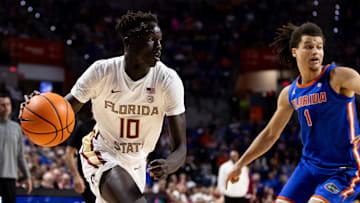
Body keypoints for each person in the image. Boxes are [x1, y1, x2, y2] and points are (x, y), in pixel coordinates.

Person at [226, 22, 360, 203]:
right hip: (309, 167)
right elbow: (270, 134)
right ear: (295, 51)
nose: (316, 52)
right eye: (309, 47)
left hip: (343, 169)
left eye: (319, 47)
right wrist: (240, 164)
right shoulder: (290, 93)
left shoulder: (339, 77)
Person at [62, 10, 186, 203]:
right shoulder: (102, 71)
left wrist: (169, 165)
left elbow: (180, 148)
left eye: (160, 40)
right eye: (152, 40)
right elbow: (64, 109)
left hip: (137, 163)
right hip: (102, 152)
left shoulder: (168, 81)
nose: (159, 47)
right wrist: (42, 108)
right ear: (130, 42)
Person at [0, 91, 32, 203]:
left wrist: (27, 176)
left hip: (10, 178)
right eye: (2, 105)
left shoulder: (16, 128)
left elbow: (20, 155)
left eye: (8, 104)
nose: (6, 108)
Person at [64, 116, 96, 202]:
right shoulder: (83, 127)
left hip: (108, 175)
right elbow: (69, 153)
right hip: (88, 178)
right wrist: (76, 176)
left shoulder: (111, 127)